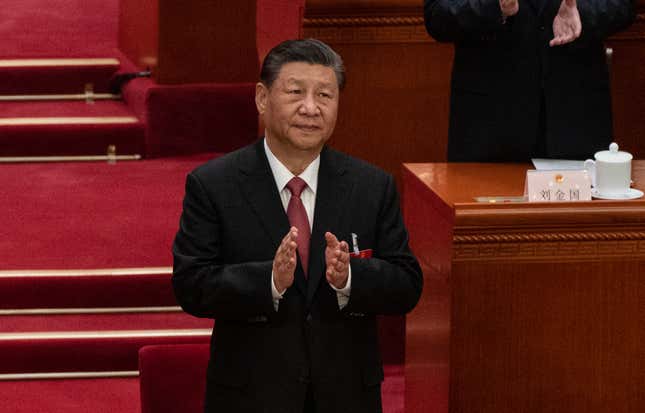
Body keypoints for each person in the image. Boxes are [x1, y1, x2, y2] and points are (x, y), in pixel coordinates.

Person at [172, 39, 423, 413]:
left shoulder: (371, 186)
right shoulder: (214, 185)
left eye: (325, 94)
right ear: (261, 98)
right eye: (295, 92)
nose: (311, 108)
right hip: (249, 397)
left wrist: (349, 278)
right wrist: (269, 281)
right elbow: (191, 285)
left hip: (346, 396)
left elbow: (407, 284)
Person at [423, 0, 635, 162]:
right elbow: (438, 14)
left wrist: (582, 12)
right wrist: (494, 7)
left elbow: (622, 5)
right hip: (489, 133)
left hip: (574, 125)